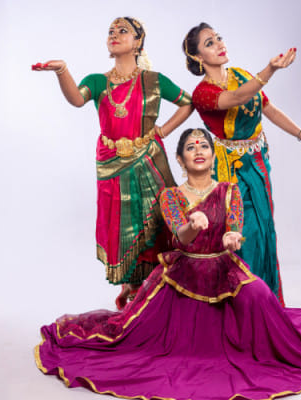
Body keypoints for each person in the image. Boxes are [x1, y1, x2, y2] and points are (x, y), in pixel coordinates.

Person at [35, 128, 301, 400]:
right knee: (151, 340)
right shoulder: (171, 196)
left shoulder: (229, 190)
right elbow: (179, 237)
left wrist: (232, 238)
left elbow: (234, 228)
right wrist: (192, 226)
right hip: (183, 272)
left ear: (212, 156)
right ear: (180, 159)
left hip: (224, 269)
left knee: (259, 294)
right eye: (190, 147)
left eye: (204, 146)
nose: (198, 150)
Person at [32, 17, 193, 309]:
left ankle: (161, 294)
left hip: (149, 161)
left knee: (158, 223)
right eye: (110, 31)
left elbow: (188, 102)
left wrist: (163, 131)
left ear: (138, 42)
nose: (114, 35)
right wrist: (62, 70)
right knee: (123, 229)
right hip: (111, 166)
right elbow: (76, 100)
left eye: (122, 31)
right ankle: (132, 294)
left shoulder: (154, 80)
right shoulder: (97, 81)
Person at [183, 23, 301, 306]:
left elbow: (269, 110)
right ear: (197, 57)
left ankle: (266, 303)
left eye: (218, 37)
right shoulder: (202, 93)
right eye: (209, 43)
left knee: (264, 229)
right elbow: (237, 98)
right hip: (229, 172)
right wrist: (270, 70)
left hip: (257, 164)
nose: (219, 44)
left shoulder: (241, 75)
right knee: (242, 233)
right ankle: (240, 307)